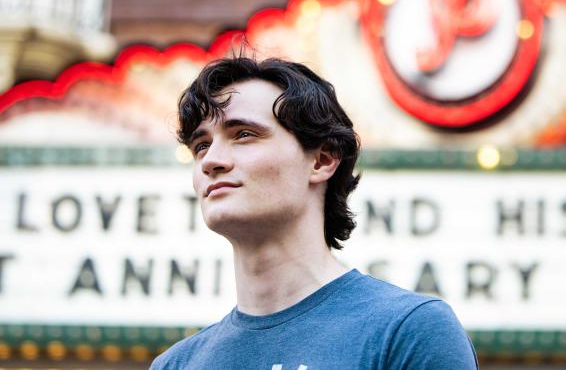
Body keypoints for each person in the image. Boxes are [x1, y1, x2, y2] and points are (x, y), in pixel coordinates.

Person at [151, 57, 478, 369]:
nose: (210, 161)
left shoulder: (409, 331)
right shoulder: (175, 364)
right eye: (201, 145)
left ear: (322, 160)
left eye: (244, 135)